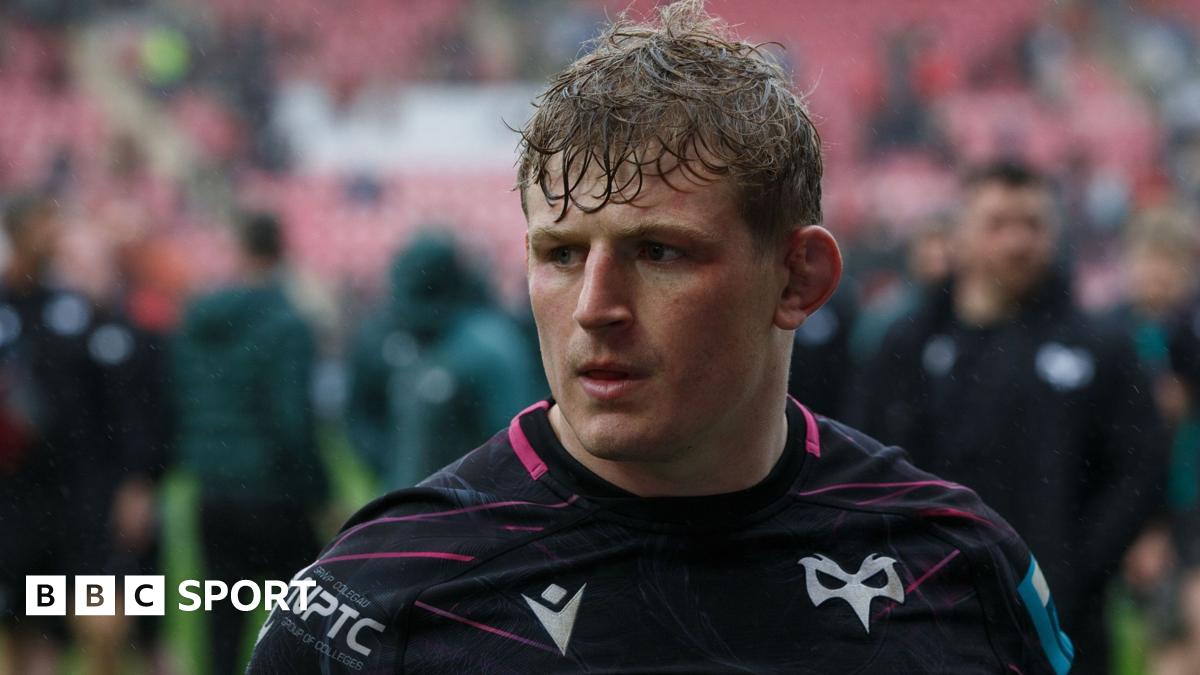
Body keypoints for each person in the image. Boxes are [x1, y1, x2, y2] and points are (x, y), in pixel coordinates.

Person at [249, 3, 1072, 672]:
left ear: (798, 279)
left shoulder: (954, 568)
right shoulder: (374, 603)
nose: (596, 306)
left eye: (658, 251)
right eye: (561, 254)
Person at [849, 162, 1168, 674]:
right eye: (998, 224)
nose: (1018, 241)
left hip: (1063, 622)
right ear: (960, 235)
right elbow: (865, 458)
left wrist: (1077, 568)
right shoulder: (905, 343)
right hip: (925, 612)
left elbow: (1141, 465)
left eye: (1033, 225)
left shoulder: (1100, 346)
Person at [0, 194, 165, 675]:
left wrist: (137, 479)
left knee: (104, 611)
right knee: (26, 625)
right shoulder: (9, 307)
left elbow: (123, 403)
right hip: (16, 497)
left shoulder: (82, 310)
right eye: (45, 226)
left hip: (84, 492)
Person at [172, 211, 328, 675]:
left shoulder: (200, 320)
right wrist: (320, 494)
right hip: (274, 494)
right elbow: (293, 421)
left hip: (213, 490)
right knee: (301, 627)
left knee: (222, 626)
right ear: (280, 251)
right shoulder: (287, 323)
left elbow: (183, 396)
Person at [345, 231, 539, 489]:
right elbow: (363, 415)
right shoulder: (407, 338)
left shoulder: (485, 346)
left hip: (466, 510)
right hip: (414, 502)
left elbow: (513, 437)